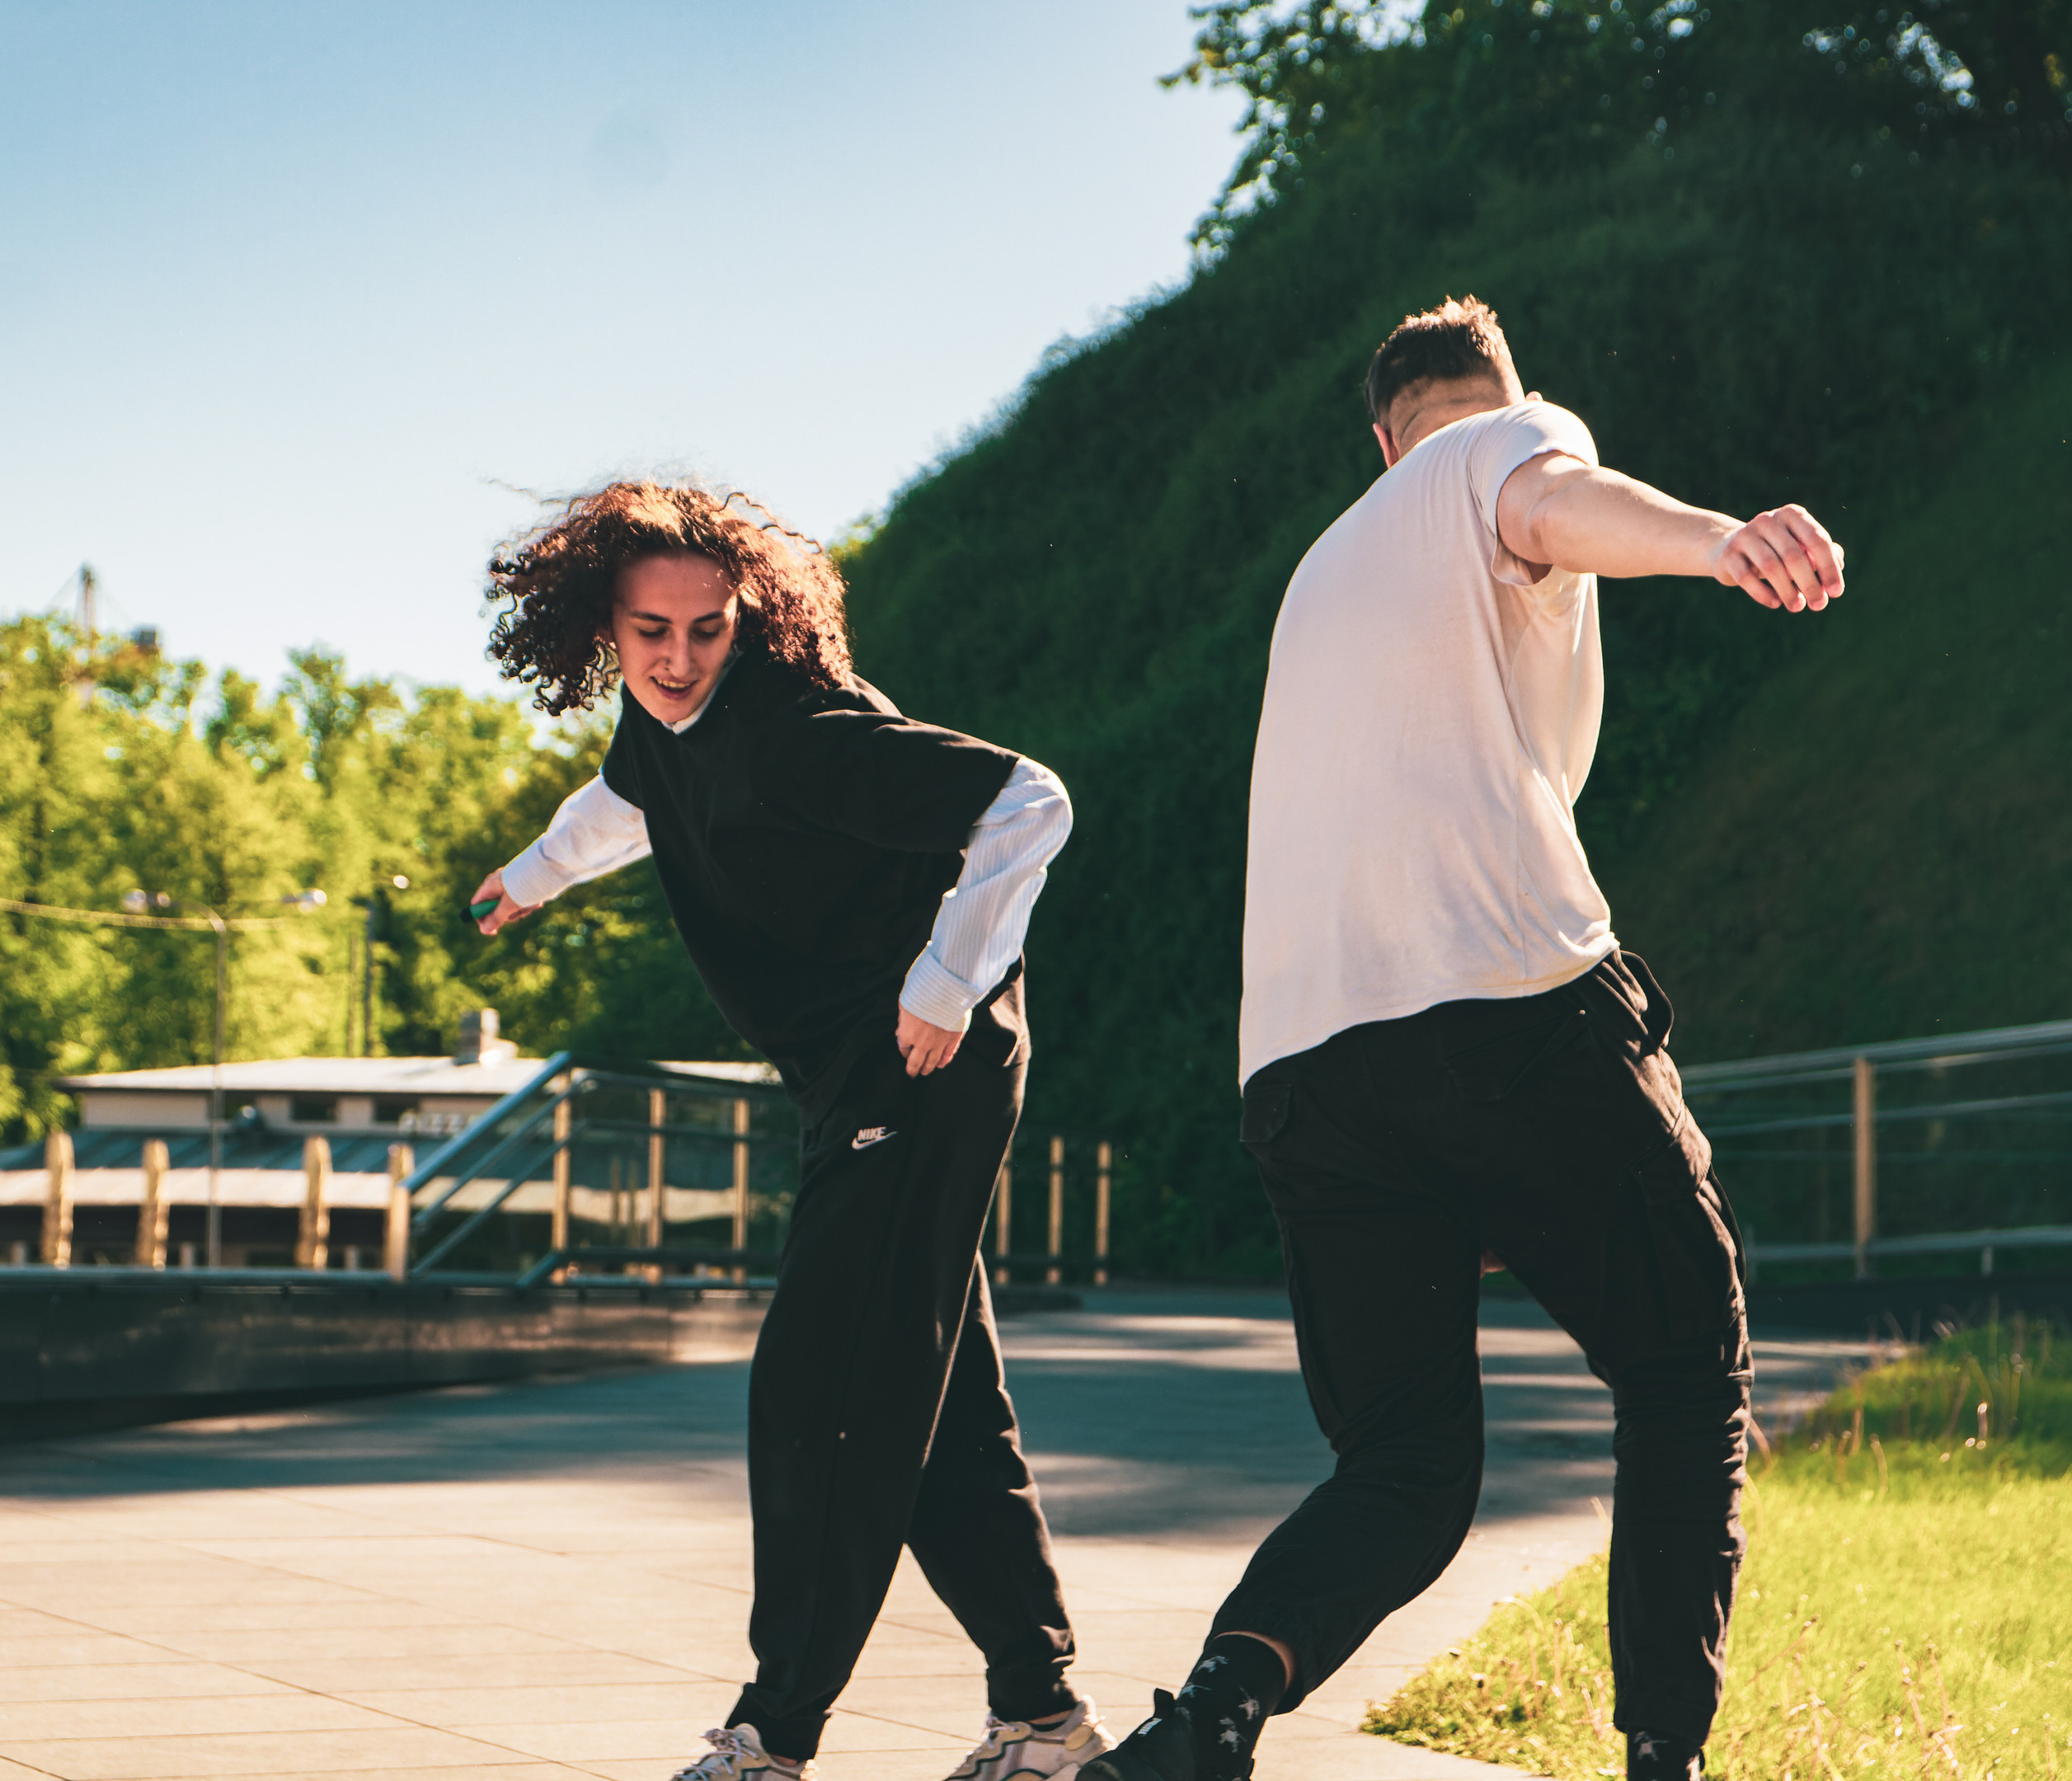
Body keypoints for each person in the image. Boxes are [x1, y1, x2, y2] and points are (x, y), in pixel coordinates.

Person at [1086, 298, 1844, 1781]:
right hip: (1506, 1008)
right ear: (1491, 405)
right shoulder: (1500, 448)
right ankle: (1661, 1758)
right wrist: (1714, 538)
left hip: (1307, 1077)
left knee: (1408, 1469)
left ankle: (1211, 1717)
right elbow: (1554, 501)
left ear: (1376, 437)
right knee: (1685, 1375)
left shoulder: (1318, 573)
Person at [471, 481, 1117, 1781]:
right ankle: (1042, 1722)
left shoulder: (798, 729)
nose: (675, 659)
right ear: (605, 622)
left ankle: (775, 1735)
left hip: (919, 1063)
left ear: (746, 617)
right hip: (851, 1080)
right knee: (937, 1404)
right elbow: (629, 798)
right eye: (649, 631)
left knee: (823, 1387)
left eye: (705, 631)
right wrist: (533, 874)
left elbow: (1026, 801)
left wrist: (944, 986)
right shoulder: (664, 724)